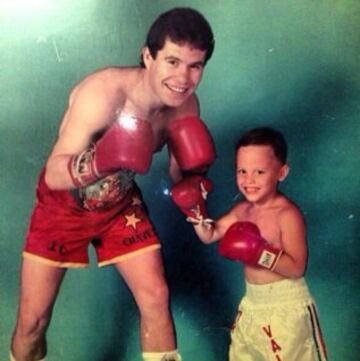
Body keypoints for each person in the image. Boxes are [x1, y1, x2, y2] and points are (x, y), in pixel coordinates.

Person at [11, 7, 216, 361]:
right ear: (147, 56)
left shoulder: (185, 107)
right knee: (32, 323)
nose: (183, 77)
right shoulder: (102, 93)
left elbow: (179, 176)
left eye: (195, 65)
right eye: (172, 61)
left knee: (155, 296)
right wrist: (101, 159)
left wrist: (195, 183)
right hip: (63, 207)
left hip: (120, 206)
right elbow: (54, 174)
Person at [171, 127, 328, 360]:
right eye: (241, 171)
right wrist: (195, 212)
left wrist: (258, 252)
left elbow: (296, 268)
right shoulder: (242, 209)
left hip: (286, 305)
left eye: (259, 172)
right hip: (252, 304)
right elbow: (210, 235)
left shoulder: (287, 214)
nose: (248, 180)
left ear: (282, 172)